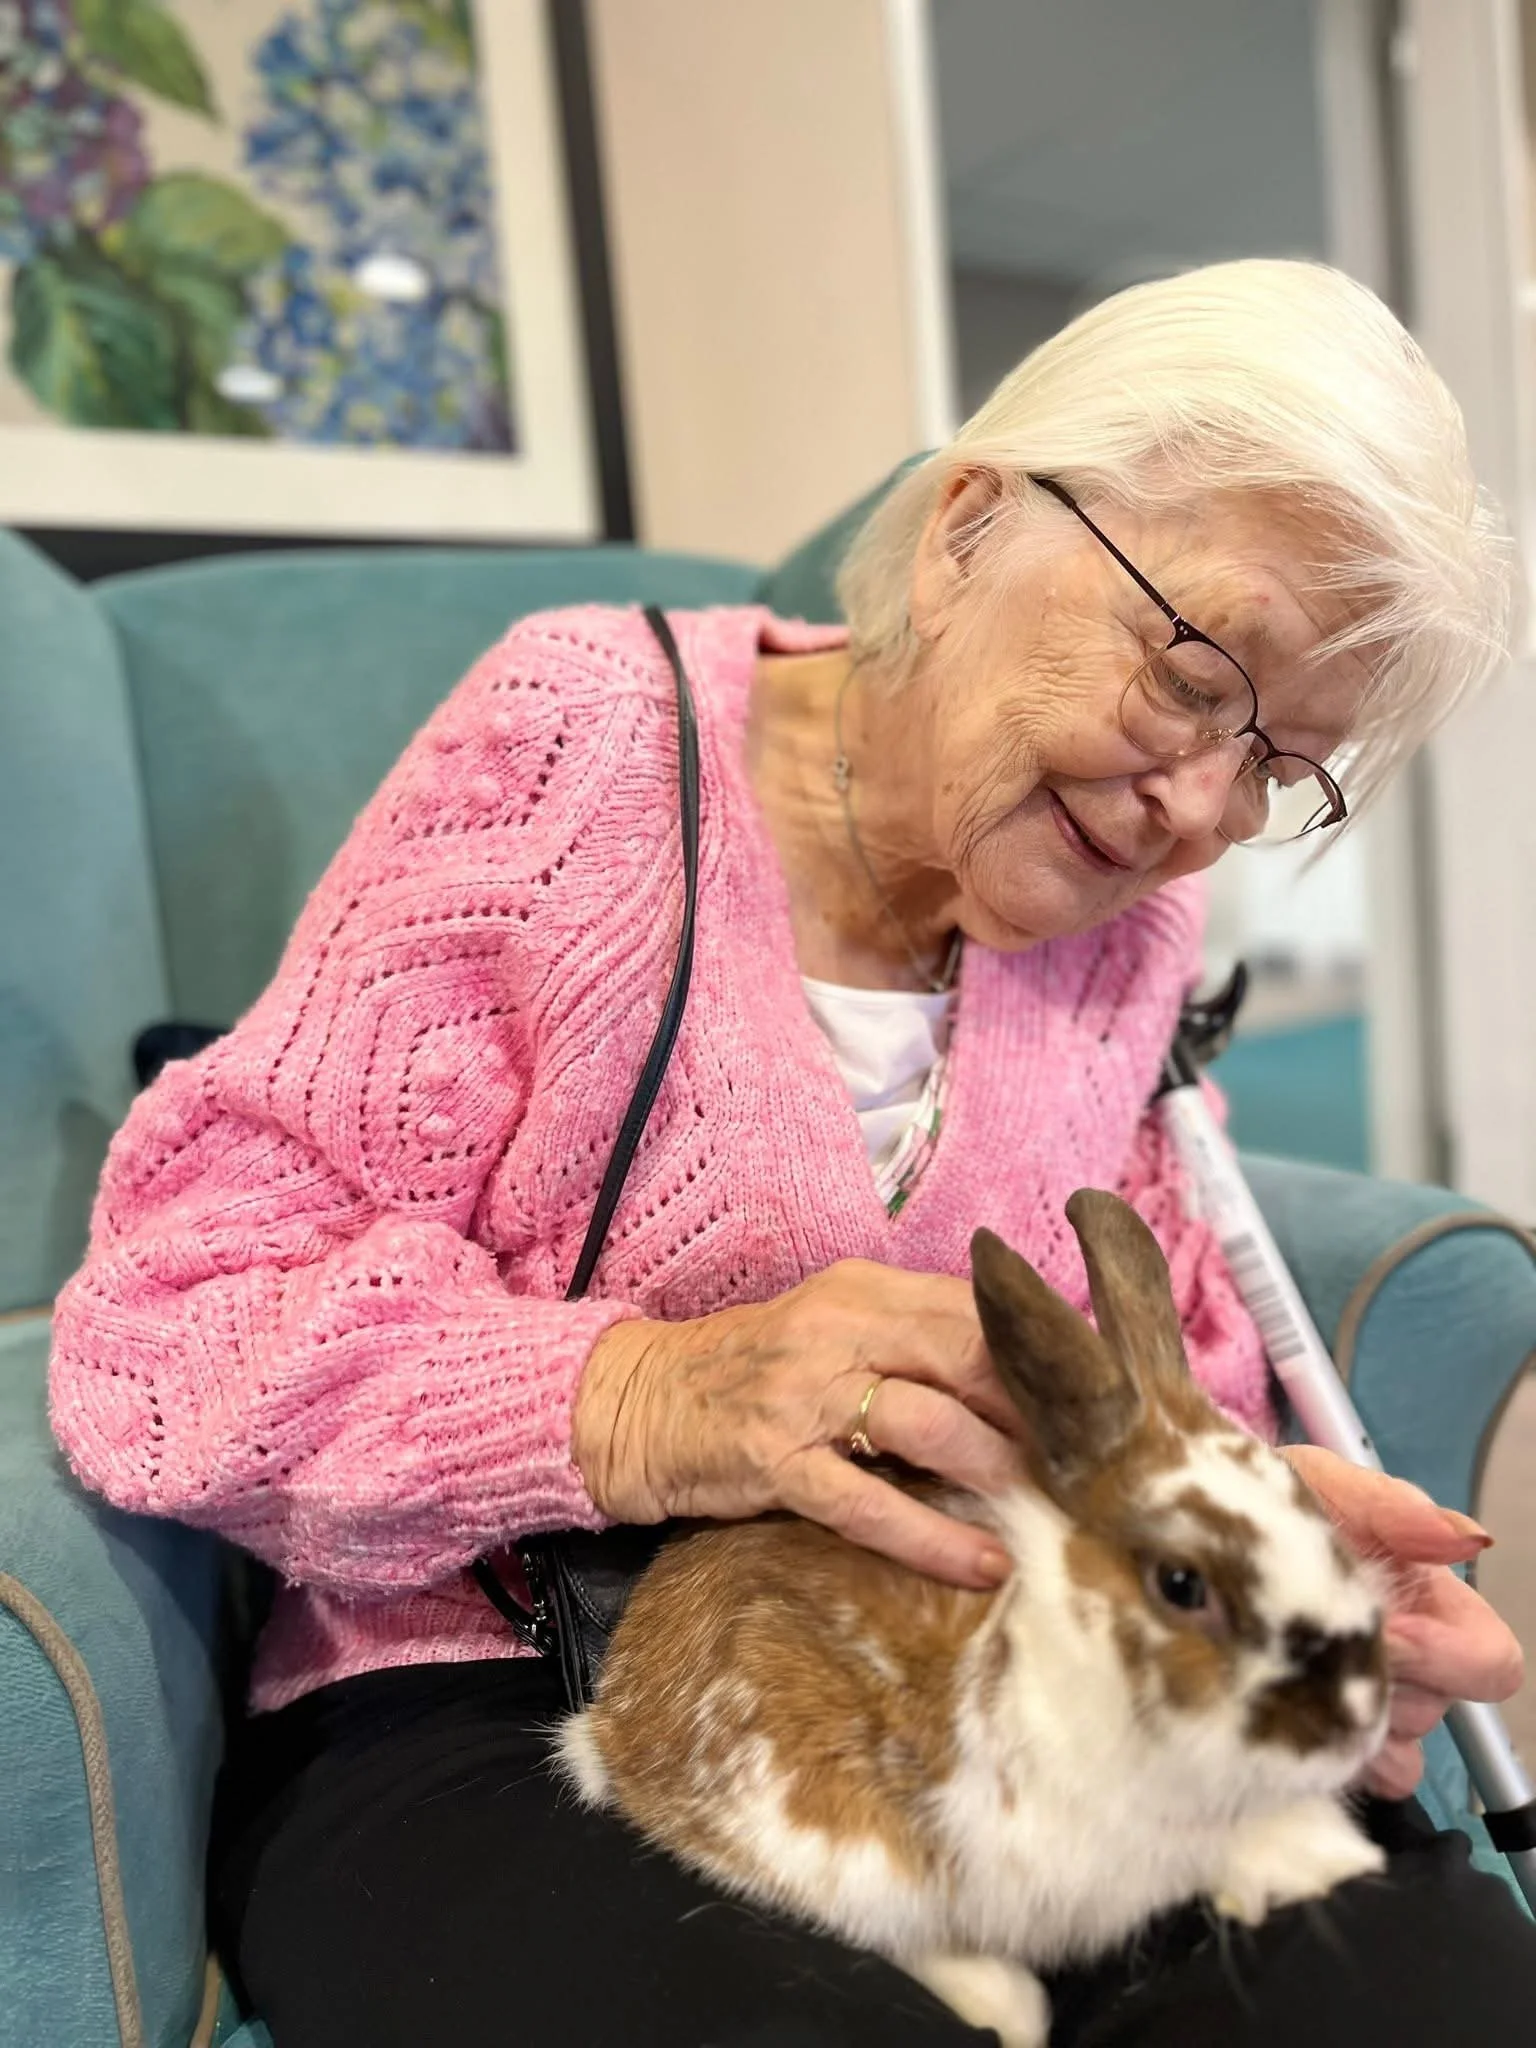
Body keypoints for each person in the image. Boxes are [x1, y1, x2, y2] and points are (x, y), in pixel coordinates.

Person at [50, 260, 1532, 2047]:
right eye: (1194, 674)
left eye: (1283, 764)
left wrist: (1280, 1589)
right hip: (522, 1698)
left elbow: (1172, 1377)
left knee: (1443, 1996)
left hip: (1024, 1701)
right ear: (969, 530)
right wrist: (645, 1394)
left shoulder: (1133, 923)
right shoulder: (583, 738)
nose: (1203, 810)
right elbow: (173, 1325)